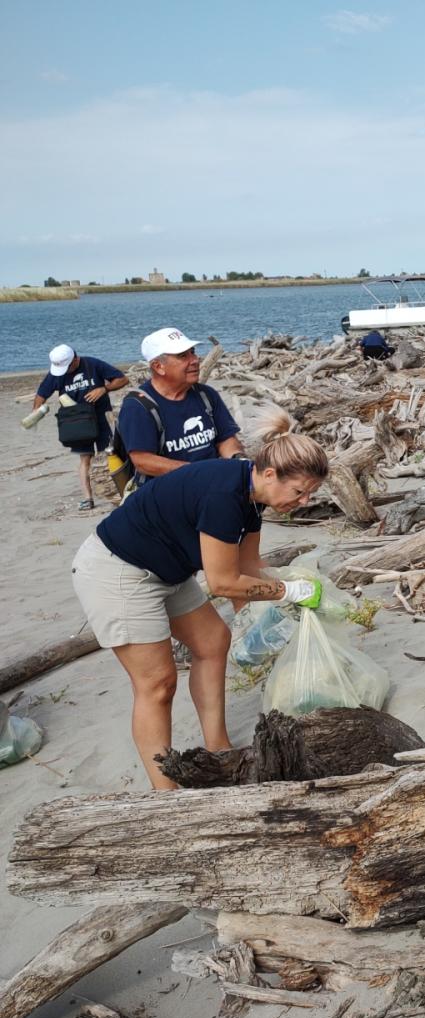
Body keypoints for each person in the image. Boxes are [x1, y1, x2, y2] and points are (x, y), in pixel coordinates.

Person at [70, 406, 328, 789]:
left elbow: (250, 567)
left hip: (165, 569)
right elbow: (223, 582)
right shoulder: (225, 495)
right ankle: (166, 791)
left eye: (310, 494)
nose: (304, 501)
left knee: (213, 640)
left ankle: (219, 748)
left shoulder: (253, 497)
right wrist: (287, 590)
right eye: (299, 492)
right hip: (118, 570)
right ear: (270, 474)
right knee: (158, 683)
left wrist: (275, 614)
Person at [118, 329, 243, 485]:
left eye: (193, 352)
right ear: (158, 367)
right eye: (183, 356)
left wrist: (237, 460)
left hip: (209, 486)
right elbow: (143, 461)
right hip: (164, 494)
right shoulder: (138, 406)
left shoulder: (206, 395)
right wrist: (197, 473)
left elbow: (226, 439)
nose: (195, 360)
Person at [32, 344, 129, 511]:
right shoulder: (57, 374)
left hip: (101, 417)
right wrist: (36, 412)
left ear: (75, 359)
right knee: (85, 458)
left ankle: (124, 491)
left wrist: (103, 389)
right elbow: (41, 394)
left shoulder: (92, 364)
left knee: (113, 453)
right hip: (77, 422)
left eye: (66, 367)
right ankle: (88, 498)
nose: (64, 371)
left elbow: (122, 379)